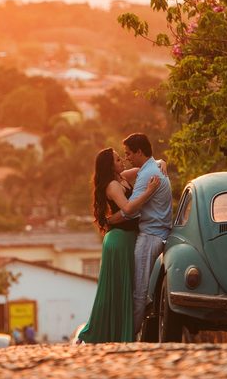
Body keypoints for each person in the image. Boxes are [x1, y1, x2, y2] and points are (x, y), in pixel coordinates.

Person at [76, 147, 161, 343]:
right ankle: (104, 332)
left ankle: (118, 332)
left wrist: (161, 163)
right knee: (119, 288)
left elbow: (145, 168)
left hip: (126, 237)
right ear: (110, 165)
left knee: (125, 287)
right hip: (120, 240)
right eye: (117, 159)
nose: (122, 160)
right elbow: (129, 208)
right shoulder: (113, 185)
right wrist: (150, 191)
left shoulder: (121, 177)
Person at [108, 132, 172, 338]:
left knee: (139, 291)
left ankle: (129, 335)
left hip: (150, 236)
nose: (127, 158)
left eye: (128, 154)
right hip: (156, 233)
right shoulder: (152, 168)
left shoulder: (147, 175)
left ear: (139, 152)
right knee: (140, 290)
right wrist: (163, 160)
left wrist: (107, 220)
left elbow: (130, 211)